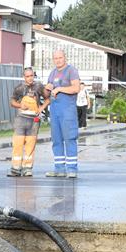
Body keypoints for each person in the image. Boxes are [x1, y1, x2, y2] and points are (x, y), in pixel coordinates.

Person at [45, 50, 81, 178]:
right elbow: (47, 94)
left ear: (65, 58)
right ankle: (59, 169)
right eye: (55, 58)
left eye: (60, 57)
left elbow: (76, 88)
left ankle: (72, 169)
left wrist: (60, 88)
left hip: (67, 111)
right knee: (57, 139)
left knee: (69, 138)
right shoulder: (52, 73)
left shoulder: (71, 70)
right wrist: (47, 88)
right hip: (55, 110)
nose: (58, 60)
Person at [8, 67, 50, 177]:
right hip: (20, 119)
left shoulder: (39, 86)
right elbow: (12, 102)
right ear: (24, 77)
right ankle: (16, 168)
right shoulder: (19, 88)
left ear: (34, 76)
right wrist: (20, 105)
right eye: (27, 76)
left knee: (30, 145)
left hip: (34, 121)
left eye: (31, 76)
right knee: (18, 144)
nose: (30, 78)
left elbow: (48, 98)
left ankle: (27, 168)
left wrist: (41, 108)